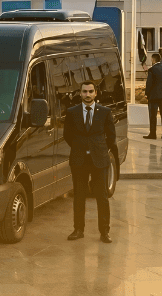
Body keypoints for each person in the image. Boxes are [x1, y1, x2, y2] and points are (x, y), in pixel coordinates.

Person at [65, 81, 115, 244]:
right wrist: (81, 147)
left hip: (99, 160)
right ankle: (78, 230)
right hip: (79, 160)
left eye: (90, 91)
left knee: (102, 197)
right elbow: (68, 135)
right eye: (84, 91)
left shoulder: (105, 112)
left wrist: (97, 149)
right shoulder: (72, 112)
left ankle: (105, 232)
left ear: (96, 93)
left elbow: (111, 137)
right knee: (79, 196)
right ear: (80, 93)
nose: (87, 95)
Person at [145, 53, 162, 139]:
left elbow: (149, 83)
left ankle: (153, 134)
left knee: (153, 115)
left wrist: (147, 94)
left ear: (153, 59)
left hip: (153, 96)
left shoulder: (151, 70)